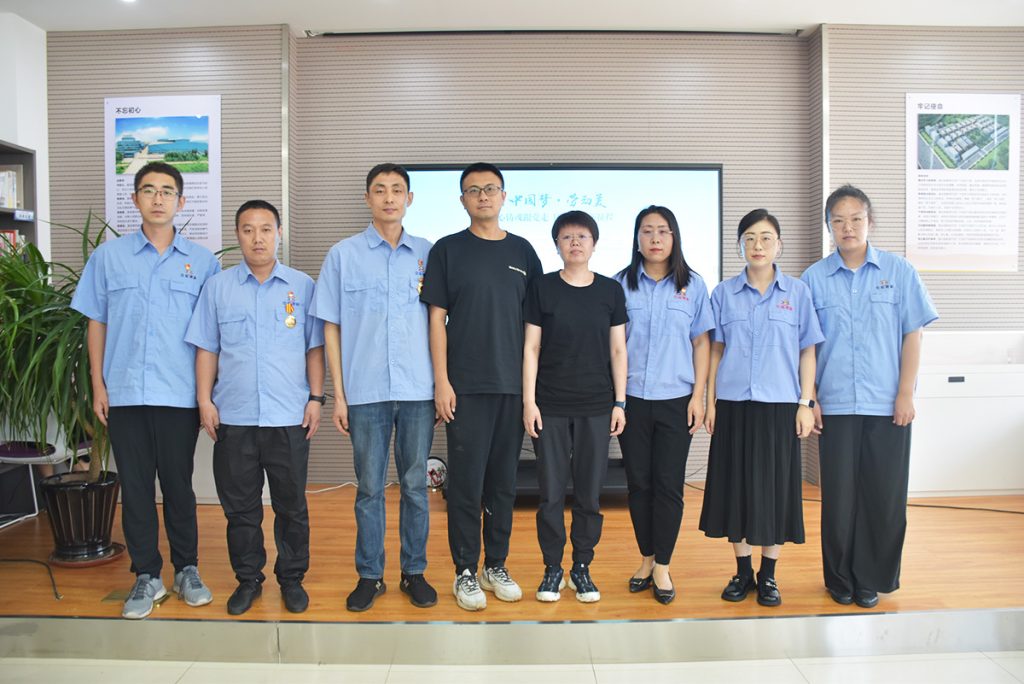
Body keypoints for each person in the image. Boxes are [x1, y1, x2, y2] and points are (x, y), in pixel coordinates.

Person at [71, 161, 220, 619]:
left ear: (181, 201)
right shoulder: (108, 259)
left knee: (178, 487)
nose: (159, 198)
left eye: (167, 191)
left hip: (178, 395)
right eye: (149, 190)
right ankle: (146, 575)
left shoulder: (203, 263)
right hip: (125, 394)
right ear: (135, 199)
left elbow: (211, 337)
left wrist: (206, 395)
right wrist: (97, 383)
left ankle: (187, 569)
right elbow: (97, 323)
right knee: (135, 489)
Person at [185, 199, 325, 616]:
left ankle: (292, 578)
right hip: (235, 418)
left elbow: (314, 349)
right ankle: (248, 579)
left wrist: (316, 398)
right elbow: (207, 348)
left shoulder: (302, 286)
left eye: (266, 229)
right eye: (248, 230)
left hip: (288, 417)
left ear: (279, 233)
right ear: (238, 235)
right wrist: (204, 400)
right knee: (241, 509)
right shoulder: (218, 288)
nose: (257, 238)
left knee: (291, 506)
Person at [802, 185, 938, 609]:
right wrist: (811, 398)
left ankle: (872, 578)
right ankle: (840, 578)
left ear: (870, 222)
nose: (848, 227)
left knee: (883, 497)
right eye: (838, 220)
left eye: (856, 219)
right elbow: (805, 347)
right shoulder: (813, 279)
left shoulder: (899, 272)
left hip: (887, 404)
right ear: (829, 227)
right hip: (835, 405)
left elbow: (913, 335)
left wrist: (905, 393)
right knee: (839, 499)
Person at [312, 163, 438, 612]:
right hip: (364, 393)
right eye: (380, 190)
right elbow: (330, 327)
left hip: (418, 391)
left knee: (415, 486)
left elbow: (441, 324)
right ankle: (370, 575)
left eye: (397, 190)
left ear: (409, 198)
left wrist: (442, 385)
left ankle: (414, 571)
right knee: (369, 488)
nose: (389, 198)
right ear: (367, 198)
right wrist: (339, 395)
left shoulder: (429, 254)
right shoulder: (343, 255)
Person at [420, 162, 542, 611]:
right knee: (467, 485)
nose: (483, 196)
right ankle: (465, 570)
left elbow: (534, 328)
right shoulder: (448, 250)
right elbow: (436, 319)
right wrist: (442, 382)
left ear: (504, 196)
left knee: (503, 484)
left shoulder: (524, 251)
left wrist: (531, 393)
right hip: (465, 387)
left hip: (512, 387)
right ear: (462, 200)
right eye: (474, 190)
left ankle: (496, 564)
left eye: (491, 188)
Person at [699, 209, 823, 607]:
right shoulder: (723, 293)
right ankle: (742, 573)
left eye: (766, 237)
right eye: (749, 238)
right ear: (740, 246)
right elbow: (716, 351)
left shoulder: (797, 293)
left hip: (780, 406)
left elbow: (807, 352)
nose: (758, 245)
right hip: (734, 405)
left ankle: (768, 576)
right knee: (735, 489)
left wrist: (805, 403)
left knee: (774, 491)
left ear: (778, 245)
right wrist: (711, 402)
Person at [523, 210, 627, 604]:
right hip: (549, 404)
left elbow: (618, 351)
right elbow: (531, 347)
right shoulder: (542, 288)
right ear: (557, 245)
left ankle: (582, 566)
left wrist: (620, 402)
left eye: (582, 236)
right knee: (550, 494)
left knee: (589, 494)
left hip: (597, 406)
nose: (575, 243)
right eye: (567, 237)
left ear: (594, 243)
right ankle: (552, 567)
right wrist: (529, 402)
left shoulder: (610, 291)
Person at [614, 206, 713, 604]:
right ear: (637, 238)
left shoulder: (694, 285)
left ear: (674, 238)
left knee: (669, 486)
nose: (655, 238)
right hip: (632, 400)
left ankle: (663, 566)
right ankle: (646, 559)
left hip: (676, 401)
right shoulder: (620, 284)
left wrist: (699, 396)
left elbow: (701, 343)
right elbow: (614, 347)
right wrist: (616, 400)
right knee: (639, 484)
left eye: (663, 231)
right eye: (647, 231)